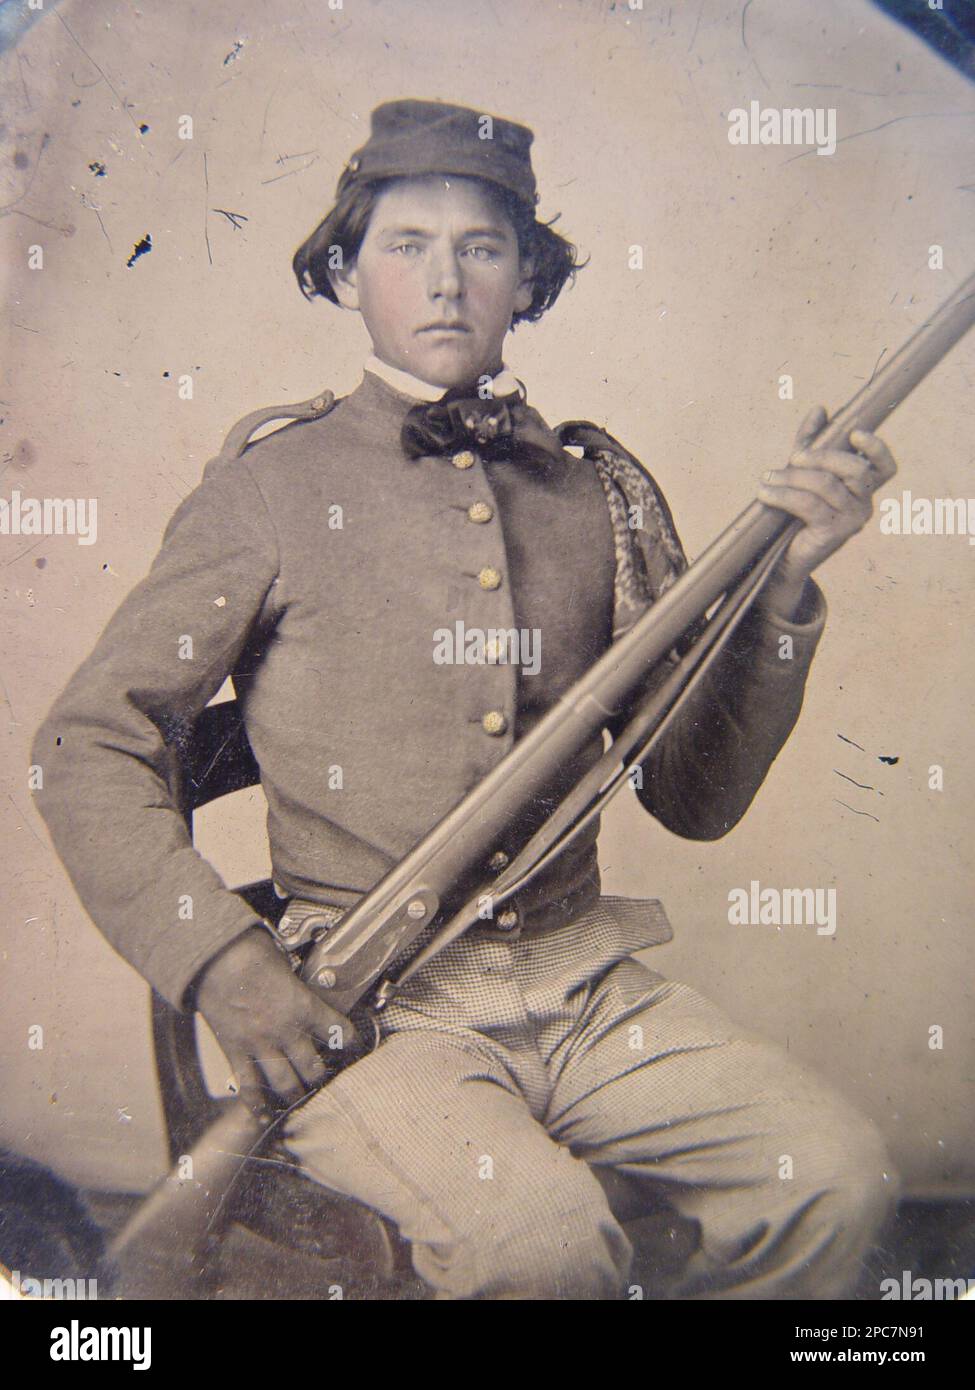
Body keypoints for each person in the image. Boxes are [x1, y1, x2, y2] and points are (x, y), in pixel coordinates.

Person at [31, 99, 900, 1300]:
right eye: (406, 245)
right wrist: (222, 963)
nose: (446, 282)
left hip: (588, 987)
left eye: (483, 249)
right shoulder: (272, 486)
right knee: (538, 1245)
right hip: (381, 1019)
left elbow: (696, 800)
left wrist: (782, 594)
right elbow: (87, 742)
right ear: (343, 270)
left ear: (527, 279)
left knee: (837, 1177)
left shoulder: (594, 491)